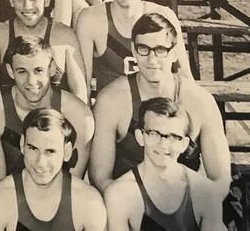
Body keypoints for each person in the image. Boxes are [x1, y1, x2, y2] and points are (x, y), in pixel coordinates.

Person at [89, 13, 231, 195]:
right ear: (133, 49)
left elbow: (221, 178)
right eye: (143, 49)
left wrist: (194, 209)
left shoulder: (199, 101)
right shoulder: (112, 100)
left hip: (185, 204)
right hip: (129, 203)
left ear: (174, 53)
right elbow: (100, 178)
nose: (151, 59)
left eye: (161, 50)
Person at [0, 36, 93, 186]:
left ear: (51, 69)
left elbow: (72, 185)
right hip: (11, 181)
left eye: (38, 70)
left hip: (57, 183)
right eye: (22, 71)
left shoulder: (78, 115)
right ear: (10, 71)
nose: (31, 81)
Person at [76, 0, 192, 95]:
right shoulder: (91, 18)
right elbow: (82, 83)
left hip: (159, 107)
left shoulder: (164, 15)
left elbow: (184, 74)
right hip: (113, 108)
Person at [104, 97, 226, 231]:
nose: (163, 145)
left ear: (184, 144)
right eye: (154, 134)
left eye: (173, 137)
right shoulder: (119, 195)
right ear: (140, 137)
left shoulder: (205, 193)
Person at [0, 108, 107, 231]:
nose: (40, 162)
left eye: (50, 151)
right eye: (33, 148)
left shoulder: (89, 202)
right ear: (22, 144)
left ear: (67, 152)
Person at [0, 0, 88, 101]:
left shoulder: (64, 36)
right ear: (11, 0)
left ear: (47, 0)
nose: (27, 6)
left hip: (53, 119)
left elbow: (80, 95)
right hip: (10, 119)